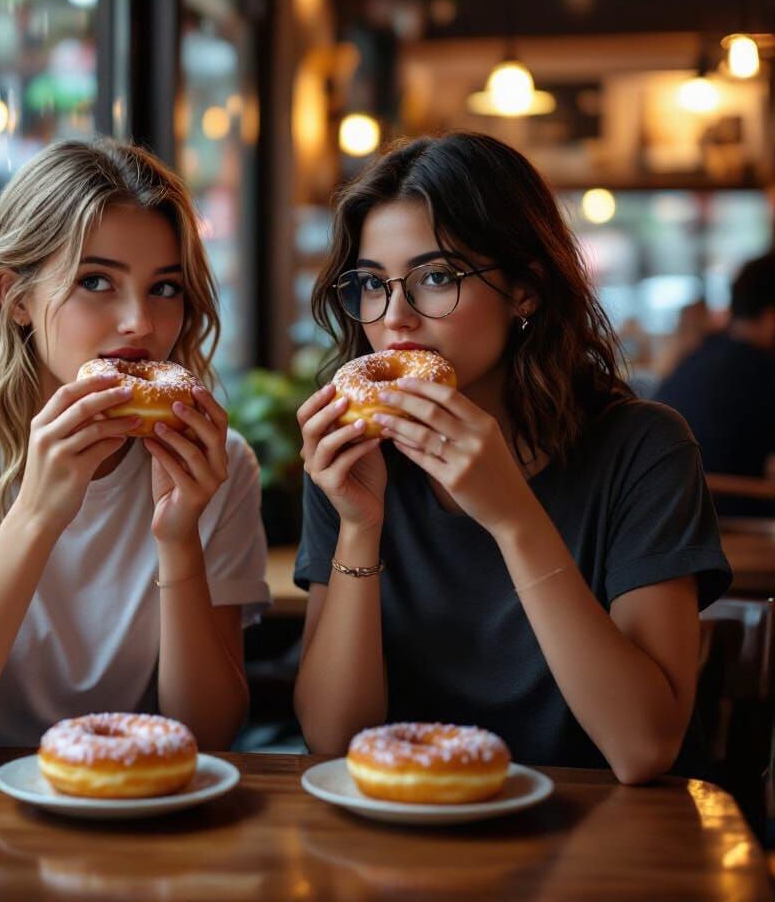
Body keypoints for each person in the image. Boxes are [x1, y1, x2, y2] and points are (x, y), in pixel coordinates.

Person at [293, 133, 730, 783]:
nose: (395, 319)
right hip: (408, 837)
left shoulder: (643, 449)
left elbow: (643, 748)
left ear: (524, 290)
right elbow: (333, 740)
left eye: (436, 277)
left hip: (601, 845)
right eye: (372, 285)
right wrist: (359, 525)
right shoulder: (356, 459)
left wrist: (513, 518)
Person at [0, 139, 270, 767]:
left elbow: (207, 736)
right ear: (15, 297)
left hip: (138, 809)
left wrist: (178, 538)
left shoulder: (215, 463)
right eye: (96, 282)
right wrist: (38, 512)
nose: (140, 324)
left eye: (165, 289)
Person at [655, 253, 775, 516]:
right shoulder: (761, 369)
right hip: (729, 519)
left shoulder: (702, 354)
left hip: (669, 516)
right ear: (769, 315)